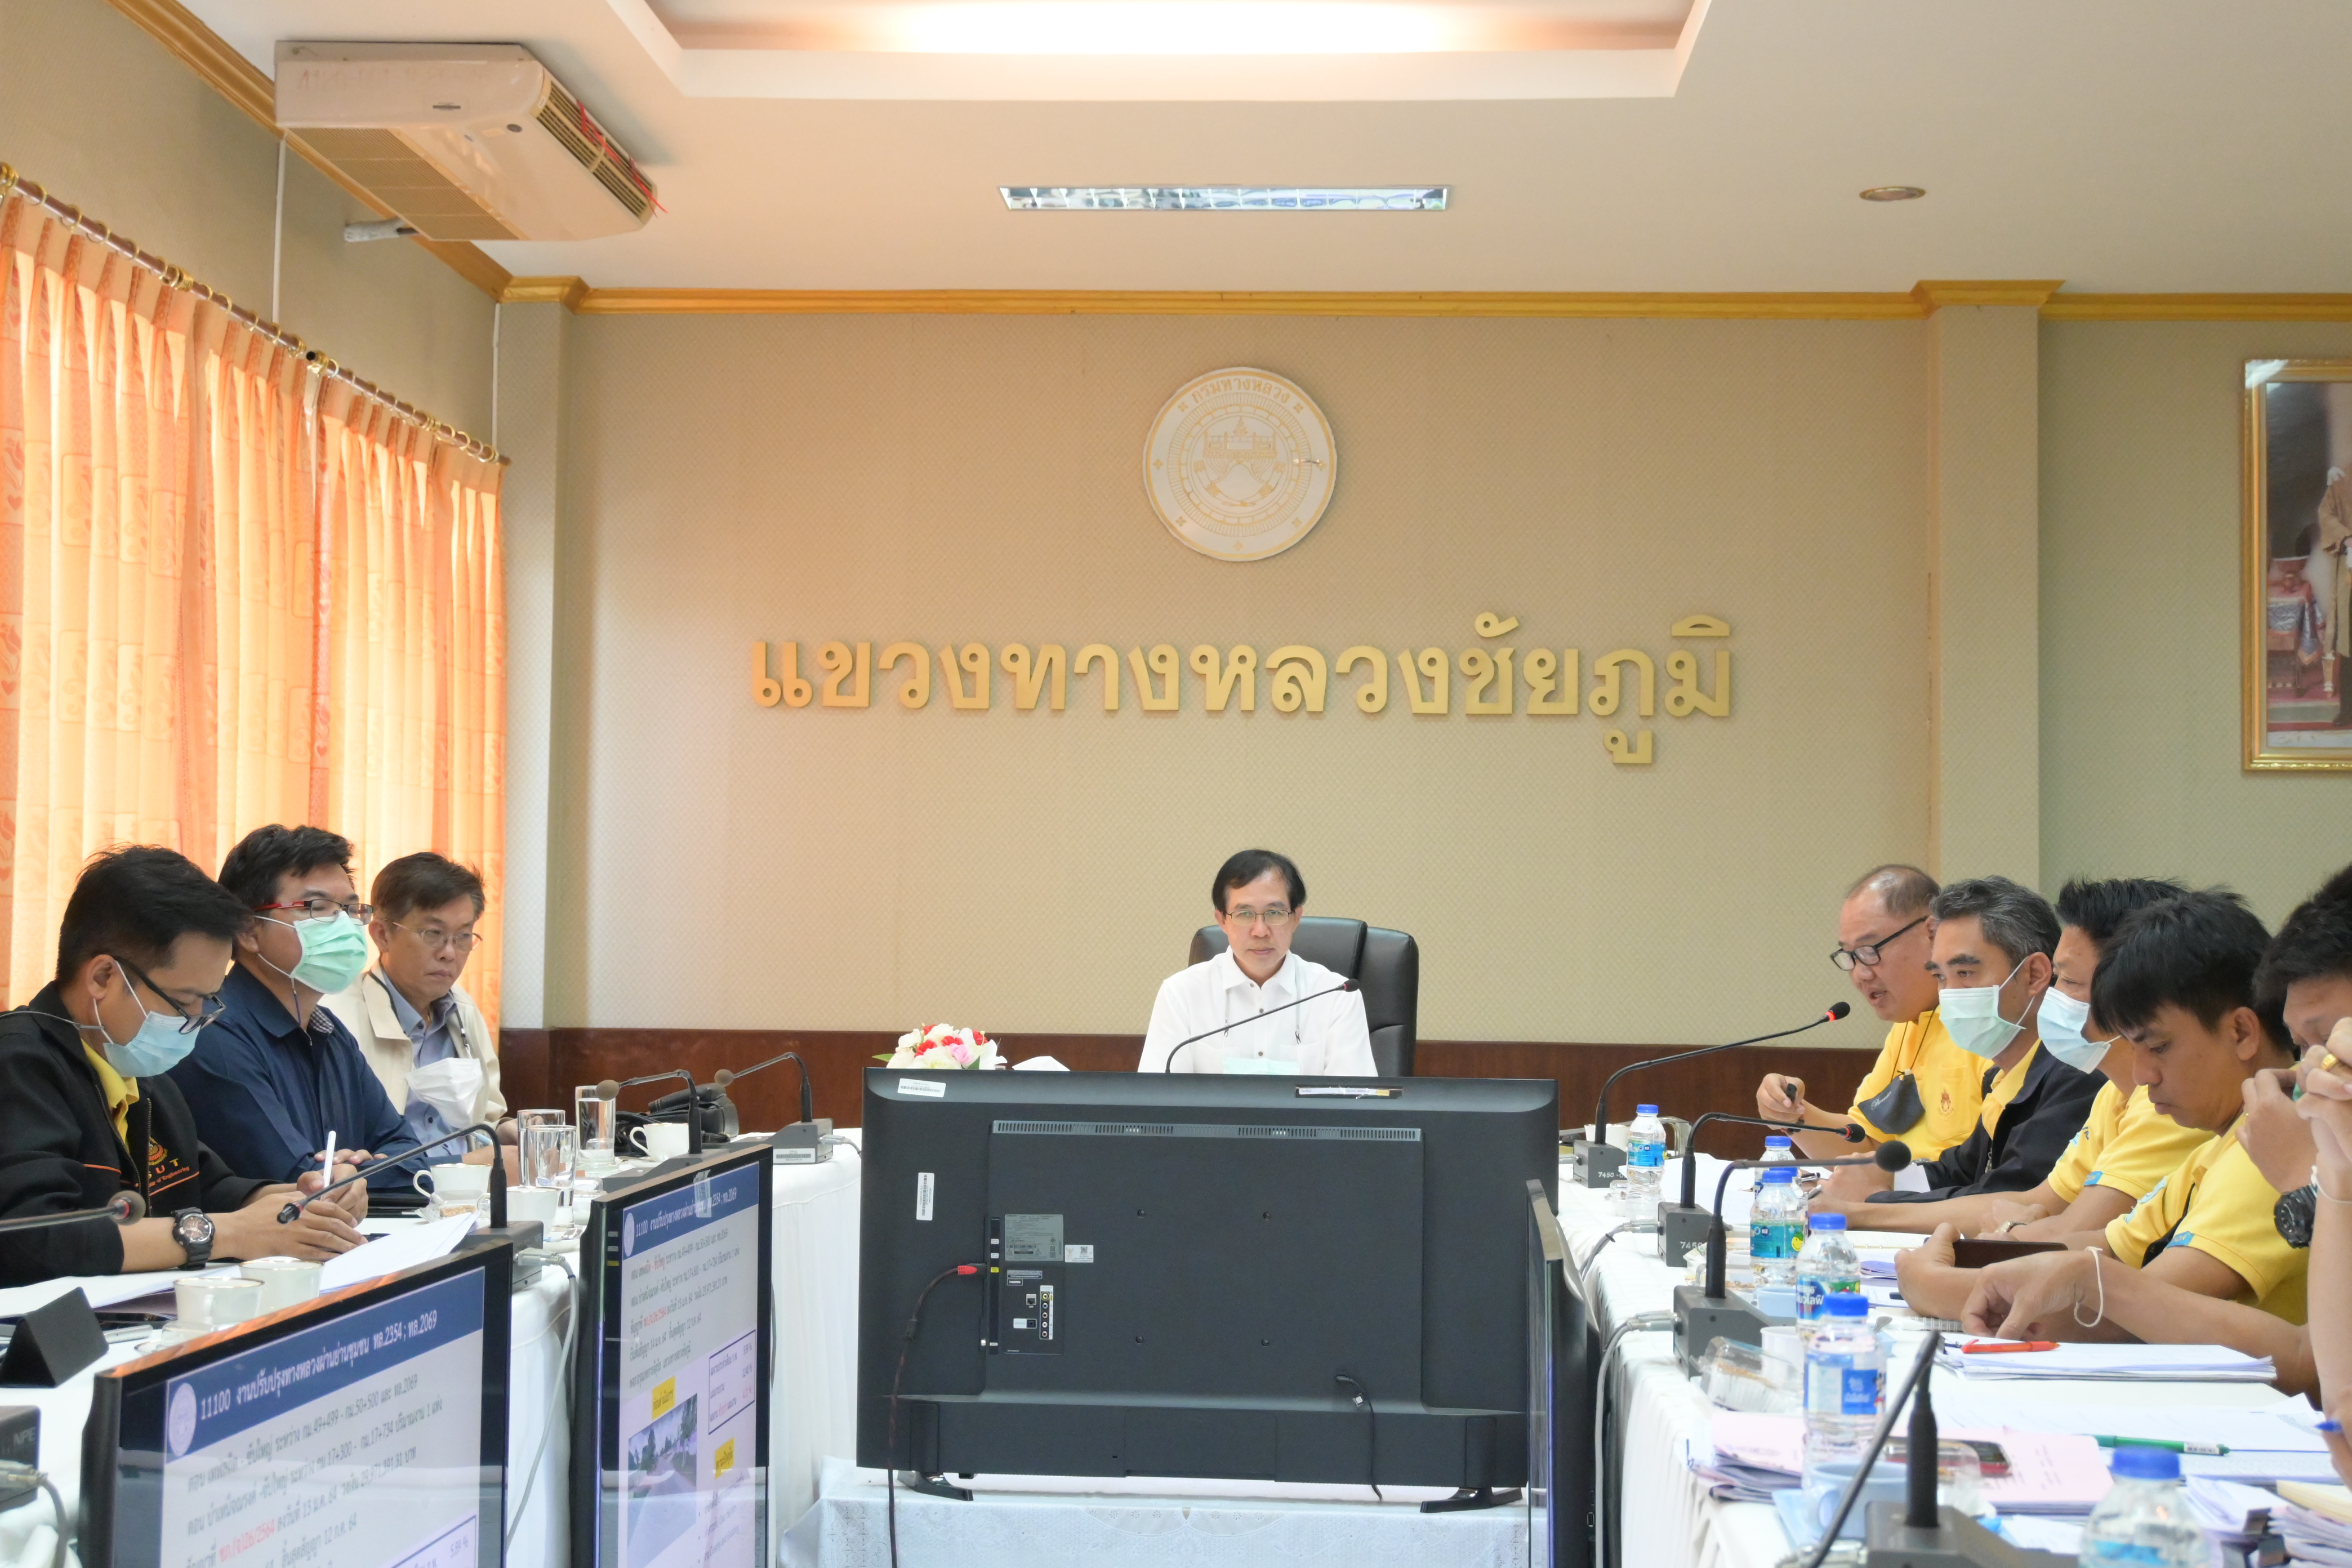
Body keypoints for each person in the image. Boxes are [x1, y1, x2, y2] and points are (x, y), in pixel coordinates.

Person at [0, 847, 368, 1284]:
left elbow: (207, 1186)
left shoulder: (137, 1068)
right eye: (185, 1000)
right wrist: (232, 1234)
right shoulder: (19, 1063)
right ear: (103, 977)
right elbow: (36, 1236)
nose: (197, 1020)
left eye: (209, 1000)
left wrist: (304, 1198)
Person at [1959, 890, 2309, 1350]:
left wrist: (1935, 1280)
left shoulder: (2277, 1142)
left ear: (2242, 1031)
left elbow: (2124, 1312)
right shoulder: (2216, 1143)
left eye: (2158, 1047)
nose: (2144, 1075)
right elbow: (2107, 1246)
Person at [1888, 879, 2211, 1316]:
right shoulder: (2114, 1095)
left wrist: (1938, 1283)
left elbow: (2072, 1253)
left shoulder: (2169, 1104)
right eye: (1941, 977)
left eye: (2069, 981)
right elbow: (2053, 1220)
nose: (2052, 998)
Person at [1826, 876, 2103, 1231]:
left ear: (2035, 974)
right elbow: (1956, 1171)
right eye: (1941, 977)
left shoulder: (2075, 1075)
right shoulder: (2001, 1077)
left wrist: (1871, 1204)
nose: (1950, 995)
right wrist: (1885, 1177)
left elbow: (2006, 1198)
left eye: (1965, 973)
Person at [167, 826, 411, 1188]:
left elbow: (410, 1157)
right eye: (318, 908)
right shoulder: (214, 1033)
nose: (344, 926)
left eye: (350, 909)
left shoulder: (329, 1031)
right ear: (248, 931)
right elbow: (301, 1182)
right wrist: (354, 1172)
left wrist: (351, 1173)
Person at [1757, 866, 1983, 1200]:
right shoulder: (1907, 1028)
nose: (1861, 974)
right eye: (1850, 956)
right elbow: (1864, 1144)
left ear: (1931, 933)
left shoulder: (1985, 1028)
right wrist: (1793, 1113)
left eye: (1870, 950)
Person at [323, 853, 513, 1164]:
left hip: (470, 1188)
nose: (449, 953)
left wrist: (502, 1132)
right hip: (391, 1190)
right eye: (433, 934)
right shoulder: (335, 1017)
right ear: (382, 935)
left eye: (463, 936)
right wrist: (463, 1167)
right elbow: (341, 1152)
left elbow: (483, 1119)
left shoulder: (463, 1010)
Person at [1139, 849, 1374, 1075]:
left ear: (1296, 919)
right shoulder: (1181, 994)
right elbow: (1160, 1096)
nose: (1260, 931)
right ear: (1222, 921)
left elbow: (1353, 1097)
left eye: (1274, 913)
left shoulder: (1337, 997)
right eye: (1244, 914)